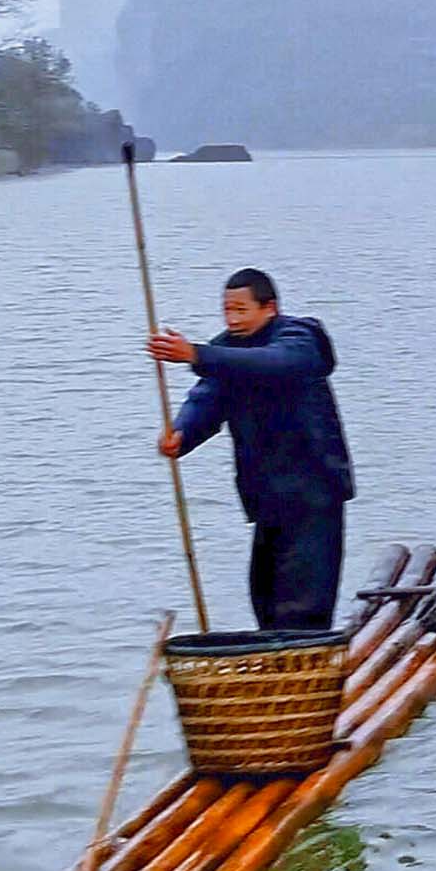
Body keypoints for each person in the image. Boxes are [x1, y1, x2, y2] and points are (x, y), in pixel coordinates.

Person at [152, 267, 354, 633]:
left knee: (304, 605)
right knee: (265, 598)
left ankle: (307, 676)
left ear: (269, 308)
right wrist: (182, 433)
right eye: (227, 311)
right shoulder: (225, 350)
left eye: (241, 310)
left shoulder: (300, 338)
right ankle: (274, 670)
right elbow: (207, 399)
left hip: (313, 493)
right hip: (267, 496)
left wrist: (197, 354)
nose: (232, 319)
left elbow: (276, 364)